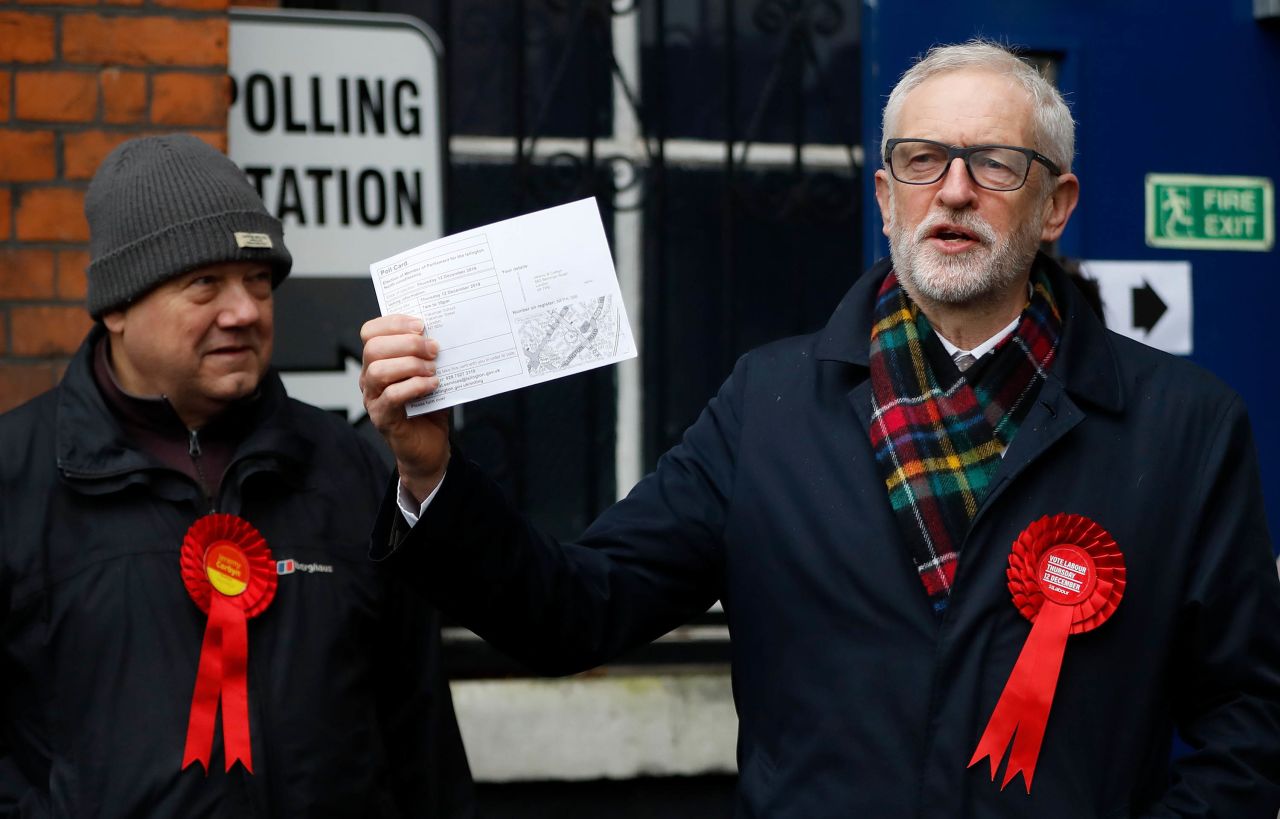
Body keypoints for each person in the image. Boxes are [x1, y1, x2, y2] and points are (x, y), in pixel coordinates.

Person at [360, 41, 1280, 817]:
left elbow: (1247, 720)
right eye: (922, 161)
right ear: (885, 196)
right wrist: (432, 473)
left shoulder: (1185, 426)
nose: (952, 190)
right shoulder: (766, 404)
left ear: (1056, 207)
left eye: (995, 164)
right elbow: (574, 611)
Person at [0, 134, 475, 817]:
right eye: (205, 283)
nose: (246, 311)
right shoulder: (18, 478)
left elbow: (418, 727)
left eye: (259, 281)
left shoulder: (351, 468)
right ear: (116, 307)